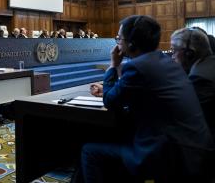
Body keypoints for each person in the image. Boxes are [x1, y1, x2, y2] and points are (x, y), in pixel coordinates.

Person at [81, 15, 214, 183]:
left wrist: (113, 65)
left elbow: (110, 100)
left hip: (169, 158)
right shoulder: (167, 62)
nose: (117, 43)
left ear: (131, 43)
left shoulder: (137, 67)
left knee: (89, 150)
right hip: (194, 151)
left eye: (119, 38)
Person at [171, 27, 215, 137]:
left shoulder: (199, 78)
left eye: (174, 51)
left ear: (189, 53)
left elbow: (189, 117)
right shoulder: (210, 62)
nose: (172, 57)